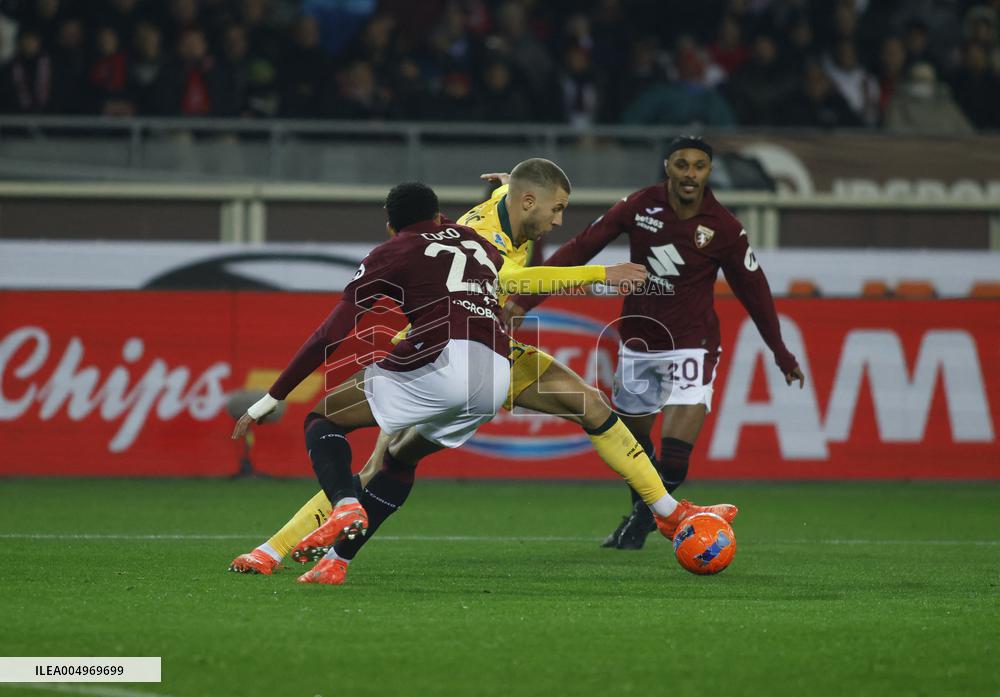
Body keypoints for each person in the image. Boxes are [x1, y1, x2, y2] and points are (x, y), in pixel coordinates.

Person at [229, 160, 738, 582]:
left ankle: (670, 514)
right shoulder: (483, 230)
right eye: (557, 210)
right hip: (438, 346)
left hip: (491, 345)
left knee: (591, 405)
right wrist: (600, 274)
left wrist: (504, 196)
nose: (560, 222)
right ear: (530, 202)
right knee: (373, 468)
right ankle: (273, 551)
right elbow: (507, 275)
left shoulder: (508, 214)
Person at [502, 137, 804, 550]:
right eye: (682, 164)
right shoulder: (640, 206)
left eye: (699, 166)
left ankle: (641, 522)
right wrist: (523, 299)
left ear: (708, 172)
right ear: (668, 167)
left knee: (675, 455)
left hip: (692, 345)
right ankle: (647, 517)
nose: (690, 173)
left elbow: (755, 289)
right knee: (634, 445)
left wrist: (781, 353)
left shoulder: (724, 227)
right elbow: (581, 248)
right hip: (639, 343)